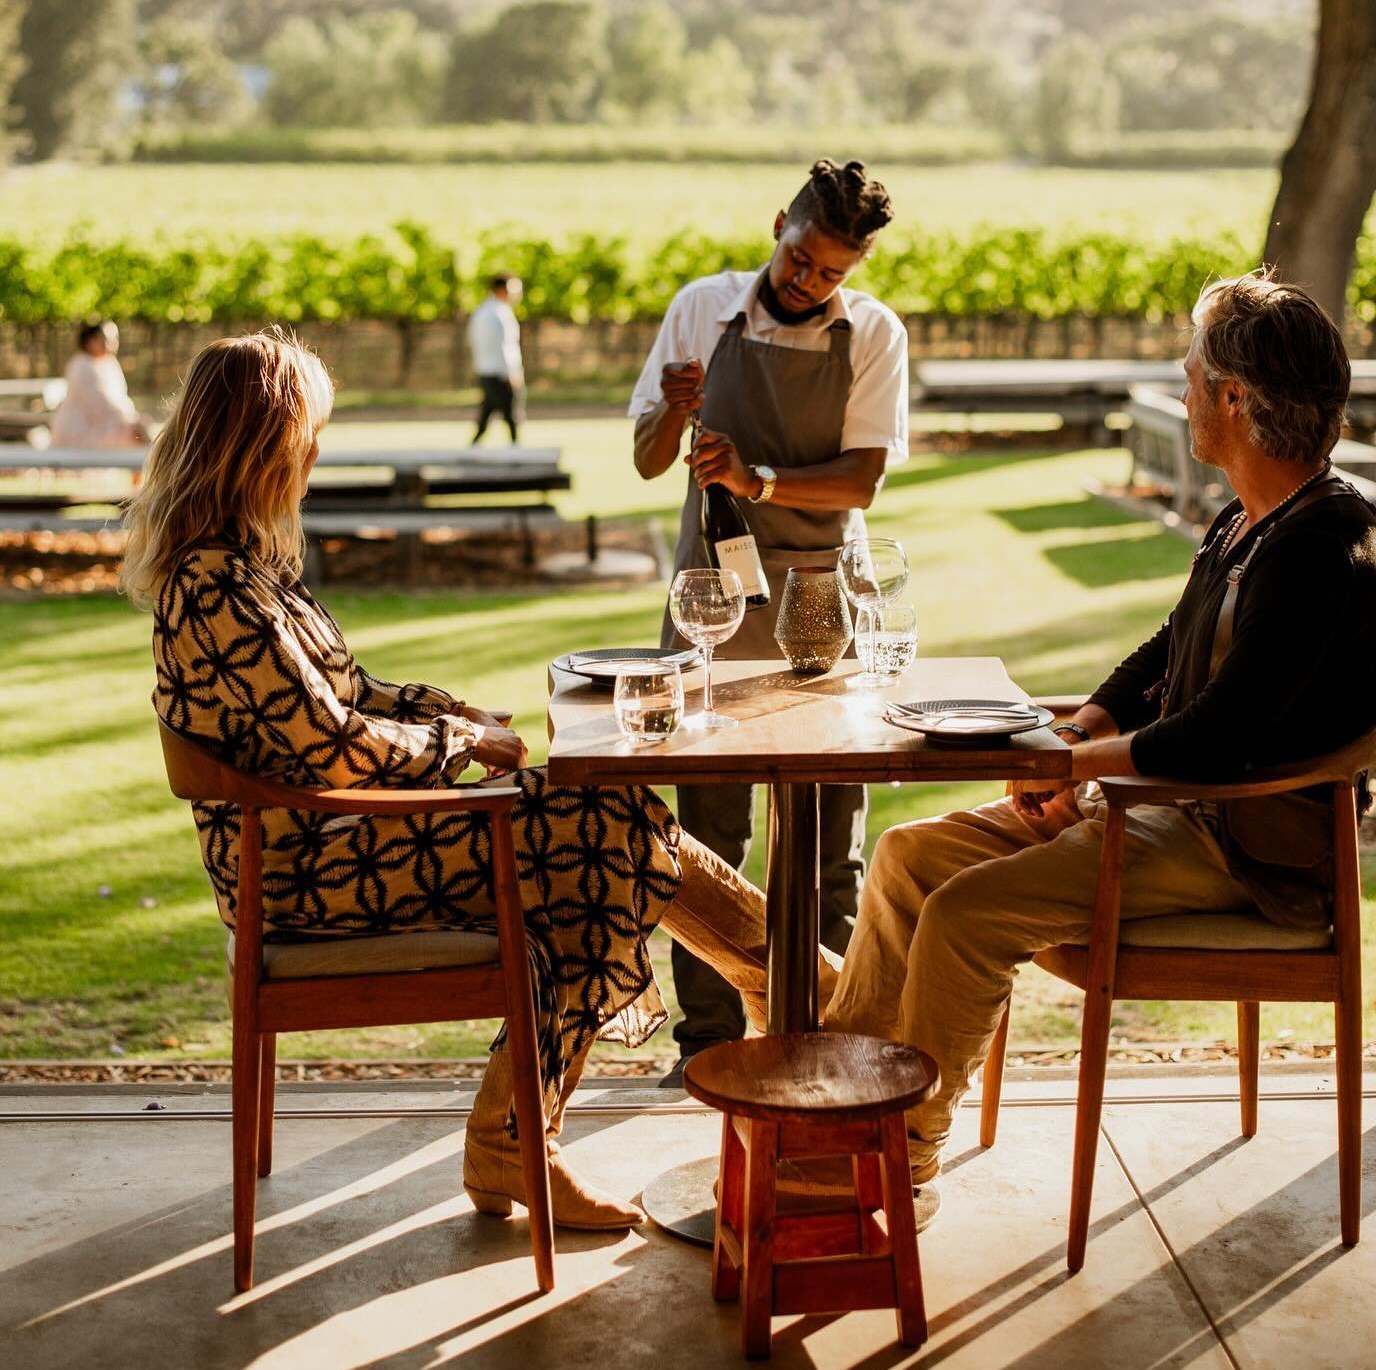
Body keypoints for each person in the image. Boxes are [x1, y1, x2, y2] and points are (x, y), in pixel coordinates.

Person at [124, 330, 800, 1234]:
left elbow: (353, 692)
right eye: (307, 433)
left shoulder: (244, 568)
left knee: (598, 831)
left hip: (339, 837)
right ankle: (780, 983)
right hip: (300, 875)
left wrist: (460, 715)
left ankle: (537, 1122)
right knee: (597, 836)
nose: (317, 452)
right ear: (259, 442)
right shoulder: (213, 587)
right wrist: (455, 742)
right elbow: (333, 747)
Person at [823, 271, 1376, 1227]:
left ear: (1234, 400)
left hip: (1241, 842)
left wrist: (1065, 770)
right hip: (1166, 804)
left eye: (1192, 371)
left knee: (963, 913)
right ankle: (835, 1109)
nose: (1183, 381)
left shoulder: (1324, 545)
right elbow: (1166, 650)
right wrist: (1081, 727)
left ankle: (903, 1156)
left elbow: (1217, 737)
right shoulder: (1249, 515)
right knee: (910, 859)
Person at [630, 158, 909, 1063]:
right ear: (777, 224)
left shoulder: (873, 335)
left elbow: (862, 480)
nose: (811, 282)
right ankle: (708, 1045)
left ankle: (823, 1034)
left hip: (822, 593)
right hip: (712, 591)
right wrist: (674, 417)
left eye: (833, 272)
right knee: (704, 838)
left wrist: (762, 479)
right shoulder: (701, 309)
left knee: (829, 836)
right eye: (801, 259)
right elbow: (646, 457)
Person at [52, 319, 152, 447]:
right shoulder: (81, 366)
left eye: (114, 338)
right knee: (138, 433)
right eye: (105, 338)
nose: (112, 343)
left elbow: (120, 398)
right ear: (89, 341)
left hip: (103, 424)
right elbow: (101, 405)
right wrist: (131, 420)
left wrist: (133, 418)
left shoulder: (109, 363)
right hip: (82, 430)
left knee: (141, 428)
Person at [467, 275, 525, 444]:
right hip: (500, 372)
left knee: (488, 412)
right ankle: (516, 450)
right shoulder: (499, 314)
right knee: (511, 414)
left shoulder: (482, 311)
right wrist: (512, 371)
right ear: (502, 290)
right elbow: (505, 346)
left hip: (485, 370)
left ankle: (474, 446)